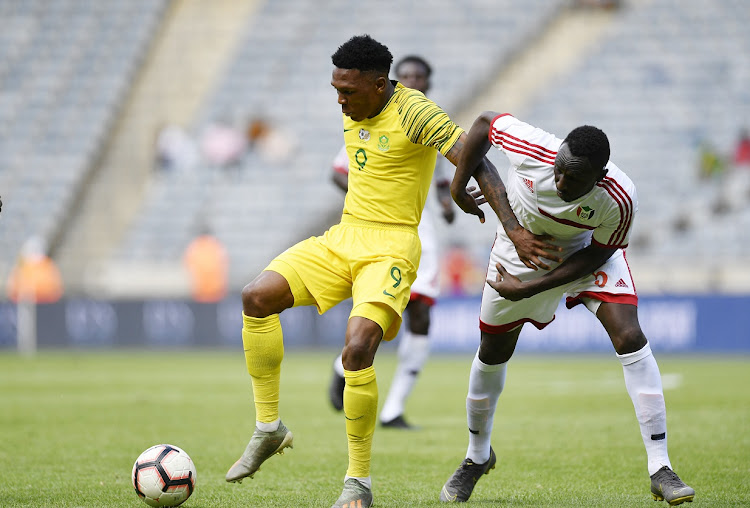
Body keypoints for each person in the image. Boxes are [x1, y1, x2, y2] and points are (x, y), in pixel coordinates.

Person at [224, 35, 495, 508]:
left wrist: (504, 219)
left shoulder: (415, 111)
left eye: (347, 91)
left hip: (392, 248)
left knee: (356, 349)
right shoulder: (355, 108)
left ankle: (358, 483)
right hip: (345, 236)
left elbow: (472, 152)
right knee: (256, 297)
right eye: (336, 90)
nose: (339, 100)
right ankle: (269, 428)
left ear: (377, 84)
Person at [439, 111, 695, 506]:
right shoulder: (533, 147)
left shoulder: (620, 198)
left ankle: (661, 468)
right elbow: (484, 123)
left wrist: (534, 289)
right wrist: (461, 191)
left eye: (573, 179)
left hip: (583, 256)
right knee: (491, 353)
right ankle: (477, 457)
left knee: (630, 336)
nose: (560, 182)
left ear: (600, 175)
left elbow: (599, 254)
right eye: (558, 170)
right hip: (517, 252)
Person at [326, 55, 456, 430]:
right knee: (386, 315)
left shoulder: (430, 120)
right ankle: (343, 363)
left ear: (429, 84)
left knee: (421, 315)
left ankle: (393, 409)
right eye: (406, 76)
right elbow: (339, 171)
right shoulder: (373, 117)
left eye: (420, 76)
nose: (413, 81)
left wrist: (447, 205)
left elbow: (442, 179)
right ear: (390, 82)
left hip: (425, 240)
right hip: (384, 236)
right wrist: (374, 198)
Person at [6, 236, 63, 303]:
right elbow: (13, 288)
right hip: (25, 303)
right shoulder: (22, 266)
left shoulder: (47, 265)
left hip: (46, 303)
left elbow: (55, 288)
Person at [182, 226, 229, 303]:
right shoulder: (217, 246)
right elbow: (224, 267)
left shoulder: (193, 247)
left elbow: (189, 268)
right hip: (215, 291)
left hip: (199, 292)